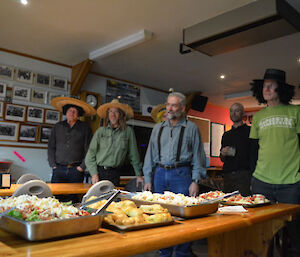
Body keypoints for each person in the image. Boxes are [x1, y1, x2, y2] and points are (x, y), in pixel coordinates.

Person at [143, 92, 206, 257]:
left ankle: (182, 252)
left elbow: (198, 156)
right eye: (168, 105)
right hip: (159, 174)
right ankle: (164, 250)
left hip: (182, 174)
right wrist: (148, 178)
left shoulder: (191, 128)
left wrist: (195, 180)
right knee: (160, 213)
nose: (169, 108)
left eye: (174, 105)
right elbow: (150, 154)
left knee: (182, 215)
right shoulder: (157, 128)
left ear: (182, 108)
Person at [250, 68, 300, 257]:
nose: (267, 89)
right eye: (264, 86)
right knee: (264, 233)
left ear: (282, 90)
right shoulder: (258, 117)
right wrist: (253, 176)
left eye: (272, 86)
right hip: (262, 182)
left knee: (294, 231)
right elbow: (253, 150)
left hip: (291, 182)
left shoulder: (295, 112)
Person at [85, 99, 143, 187]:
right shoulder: (100, 131)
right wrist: (94, 174)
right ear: (108, 115)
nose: (113, 115)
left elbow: (134, 155)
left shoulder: (128, 132)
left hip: (115, 173)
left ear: (121, 114)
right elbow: (90, 155)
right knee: (97, 200)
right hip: (99, 173)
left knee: (113, 200)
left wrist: (139, 175)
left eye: (116, 111)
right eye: (110, 111)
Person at [48, 97, 95, 201]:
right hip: (58, 169)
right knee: (56, 198)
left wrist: (82, 167)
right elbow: (51, 147)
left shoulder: (85, 128)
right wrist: (53, 165)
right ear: (66, 112)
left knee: (73, 198)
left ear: (78, 114)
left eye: (75, 111)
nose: (72, 113)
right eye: (70, 110)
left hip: (76, 170)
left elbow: (89, 149)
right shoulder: (57, 126)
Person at [220, 103, 252, 196]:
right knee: (227, 204)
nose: (233, 113)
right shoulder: (226, 135)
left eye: (237, 110)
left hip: (244, 176)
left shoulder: (250, 131)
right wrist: (223, 153)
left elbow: (254, 155)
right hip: (228, 176)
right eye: (231, 111)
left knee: (244, 204)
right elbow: (222, 159)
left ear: (242, 113)